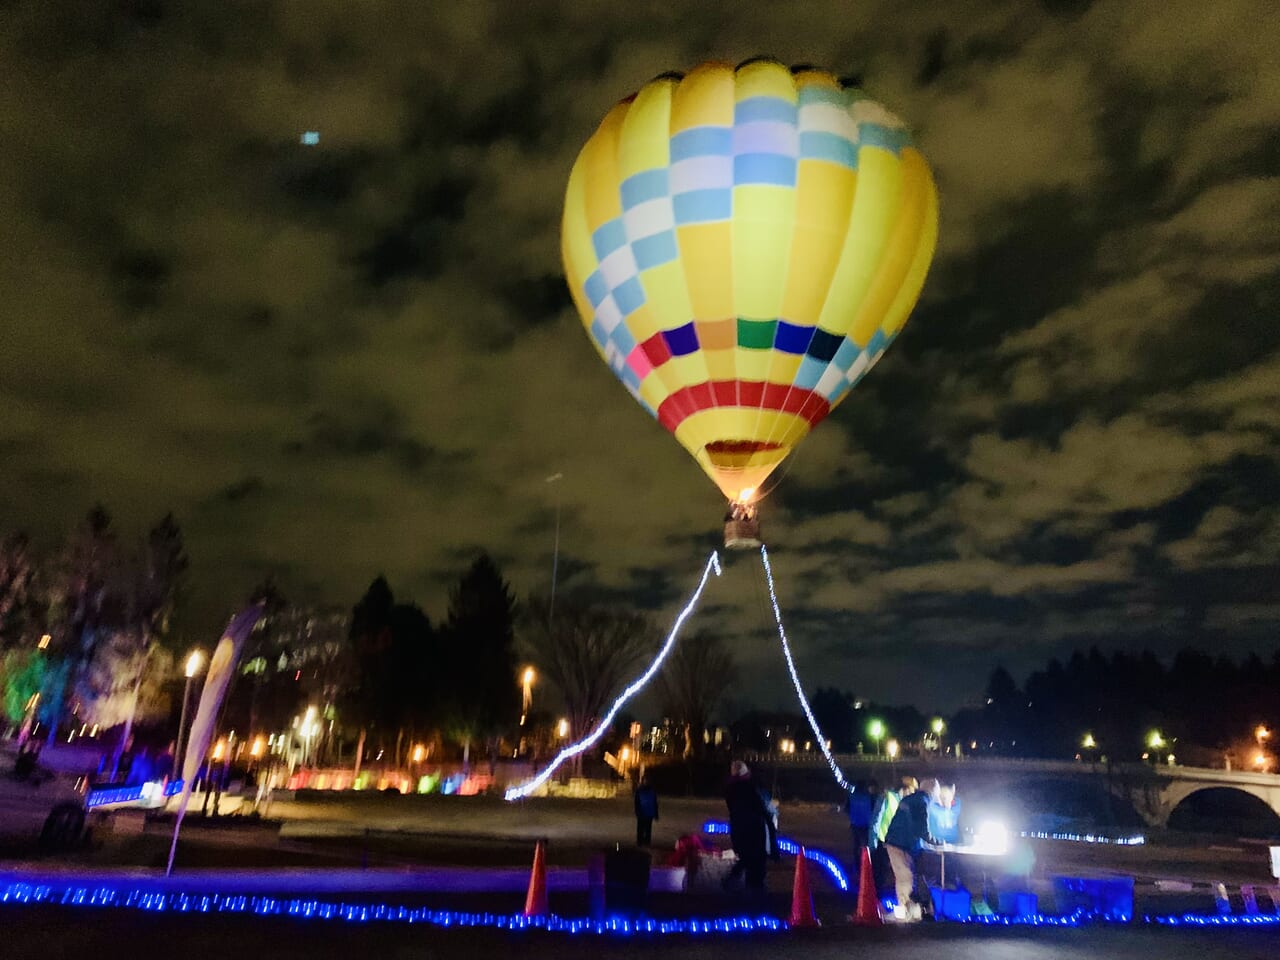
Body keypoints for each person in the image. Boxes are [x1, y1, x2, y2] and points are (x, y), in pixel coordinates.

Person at [884, 777, 940, 921]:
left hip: (896, 841)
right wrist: (935, 841)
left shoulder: (911, 799)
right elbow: (921, 828)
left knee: (906, 877)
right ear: (933, 791)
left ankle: (910, 910)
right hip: (900, 844)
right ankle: (905, 913)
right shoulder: (923, 802)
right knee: (906, 878)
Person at [722, 760, 778, 894]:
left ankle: (734, 884)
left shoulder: (730, 791)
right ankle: (753, 897)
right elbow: (765, 813)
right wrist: (773, 846)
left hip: (739, 833)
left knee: (746, 861)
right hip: (755, 834)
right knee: (756, 868)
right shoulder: (752, 790)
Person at [846, 779, 879, 864]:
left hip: (855, 823)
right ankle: (866, 860)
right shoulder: (869, 797)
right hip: (865, 824)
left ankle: (856, 860)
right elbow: (874, 809)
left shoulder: (851, 796)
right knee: (865, 844)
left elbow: (846, 809)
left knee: (856, 844)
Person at [634, 777, 659, 847]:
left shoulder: (652, 791)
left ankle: (647, 841)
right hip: (642, 812)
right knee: (640, 828)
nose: (647, 782)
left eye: (648, 780)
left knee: (648, 829)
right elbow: (636, 802)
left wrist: (656, 813)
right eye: (645, 780)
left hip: (649, 812)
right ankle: (640, 841)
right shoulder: (639, 791)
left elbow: (655, 802)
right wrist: (637, 811)